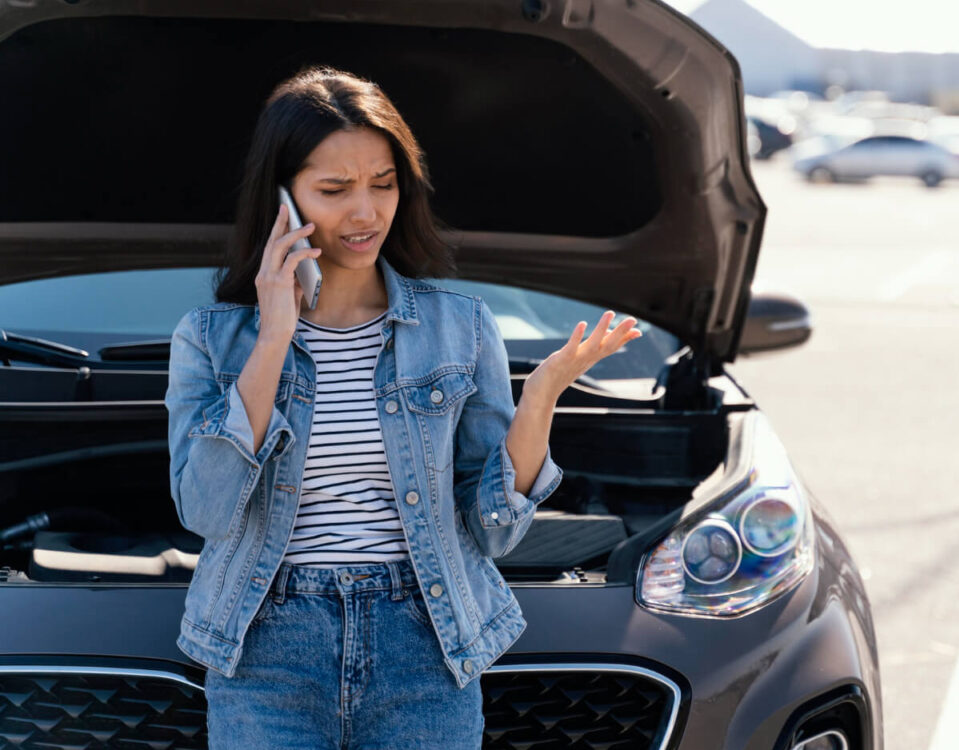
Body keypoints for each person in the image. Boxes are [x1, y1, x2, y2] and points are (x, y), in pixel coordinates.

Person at [164, 65, 640, 749]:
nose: (365, 213)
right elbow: (205, 511)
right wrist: (274, 336)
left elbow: (495, 530)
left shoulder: (462, 327)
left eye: (383, 184)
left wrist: (539, 398)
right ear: (281, 200)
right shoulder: (209, 340)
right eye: (334, 190)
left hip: (425, 641)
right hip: (266, 650)